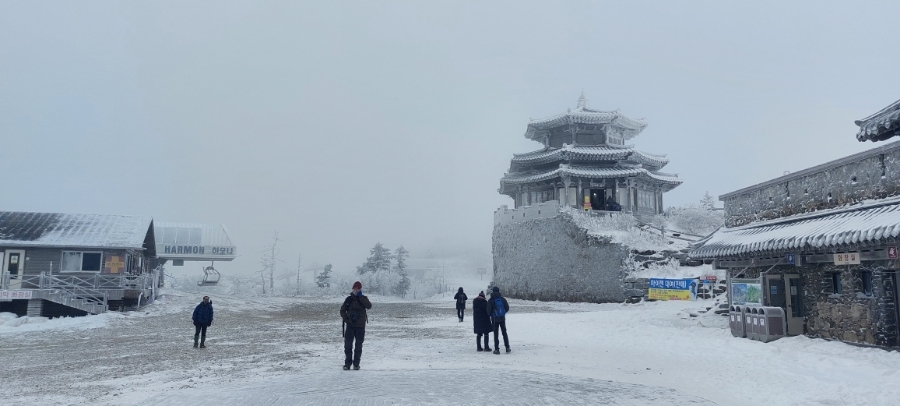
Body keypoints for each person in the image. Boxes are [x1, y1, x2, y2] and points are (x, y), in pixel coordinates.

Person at [340, 281, 372, 370]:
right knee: (348, 345)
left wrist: (361, 297)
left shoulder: (364, 299)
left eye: (358, 288)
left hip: (360, 326)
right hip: (350, 326)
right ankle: (347, 364)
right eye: (355, 288)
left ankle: (356, 364)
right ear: (353, 288)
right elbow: (342, 310)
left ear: (360, 289)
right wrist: (346, 320)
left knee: (358, 345)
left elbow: (369, 306)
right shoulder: (349, 299)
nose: (356, 290)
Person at [484, 286, 510, 354]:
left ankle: (497, 349)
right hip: (502, 318)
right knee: (504, 333)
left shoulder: (491, 300)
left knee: (496, 334)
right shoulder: (502, 299)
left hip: (495, 319)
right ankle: (507, 347)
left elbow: (488, 311)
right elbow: (507, 308)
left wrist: (491, 315)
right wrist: (502, 313)